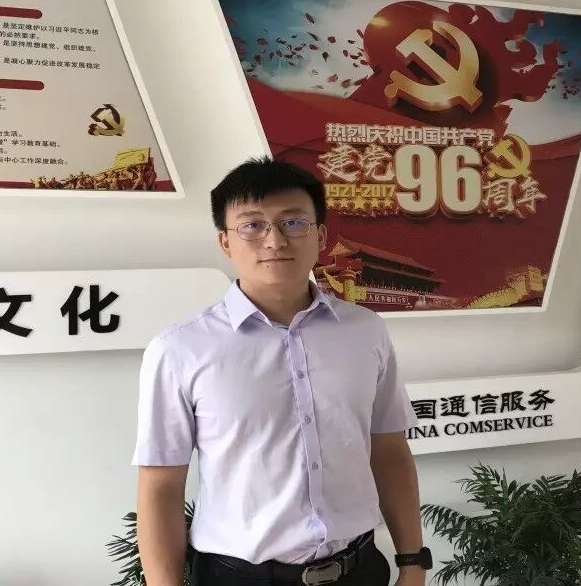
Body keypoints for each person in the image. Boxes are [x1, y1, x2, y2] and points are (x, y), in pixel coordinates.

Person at [133, 157, 431, 586]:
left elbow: (389, 451)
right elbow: (161, 483)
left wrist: (412, 563)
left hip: (359, 570)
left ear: (320, 236)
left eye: (293, 223)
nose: (274, 240)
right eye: (252, 225)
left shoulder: (365, 331)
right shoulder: (180, 349)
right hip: (239, 578)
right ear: (225, 242)